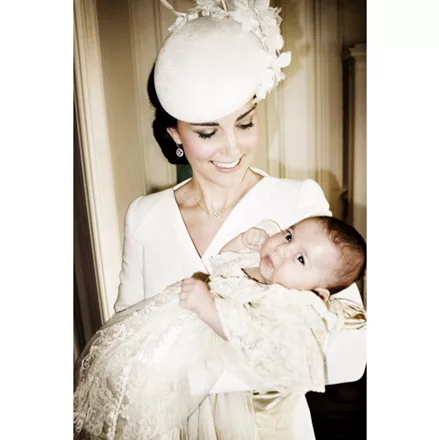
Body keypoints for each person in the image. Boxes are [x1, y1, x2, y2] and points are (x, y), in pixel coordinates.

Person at [113, 1, 367, 438]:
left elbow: (351, 352)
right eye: (208, 132)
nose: (232, 149)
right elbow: (123, 340)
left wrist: (196, 369)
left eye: (244, 124)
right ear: (176, 135)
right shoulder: (145, 216)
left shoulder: (297, 203)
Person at [74, 216, 366, 439]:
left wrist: (208, 308)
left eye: (300, 259)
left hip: (218, 383)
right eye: (289, 236)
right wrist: (240, 242)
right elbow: (221, 263)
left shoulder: (286, 303)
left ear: (317, 292)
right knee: (124, 372)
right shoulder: (258, 261)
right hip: (169, 328)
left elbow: (250, 335)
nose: (281, 250)